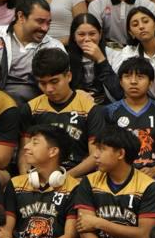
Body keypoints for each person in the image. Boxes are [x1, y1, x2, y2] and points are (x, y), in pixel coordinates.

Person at [71, 124, 155, 238]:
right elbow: (84, 227)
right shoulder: (89, 182)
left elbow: (144, 235)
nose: (95, 155)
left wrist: (100, 223)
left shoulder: (149, 186)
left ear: (120, 153)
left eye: (101, 149)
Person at [10, 124, 85, 238]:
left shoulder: (74, 187)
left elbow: (69, 237)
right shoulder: (15, 183)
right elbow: (5, 229)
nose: (26, 147)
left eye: (35, 142)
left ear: (53, 151)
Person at [0, 0, 66, 104]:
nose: (45, 28)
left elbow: (60, 86)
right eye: (40, 21)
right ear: (21, 17)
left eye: (48, 23)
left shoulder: (54, 47)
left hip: (35, 108)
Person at [22, 48, 104, 185]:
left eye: (54, 81)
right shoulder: (31, 109)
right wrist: (27, 179)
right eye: (43, 83)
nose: (49, 89)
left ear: (69, 76)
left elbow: (95, 156)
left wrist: (62, 178)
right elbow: (25, 152)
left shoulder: (90, 108)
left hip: (77, 178)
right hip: (39, 179)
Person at [99, 57, 155, 199]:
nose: (133, 81)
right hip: (118, 177)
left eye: (140, 77)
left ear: (151, 82)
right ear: (120, 81)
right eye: (128, 76)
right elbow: (103, 149)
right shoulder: (109, 112)